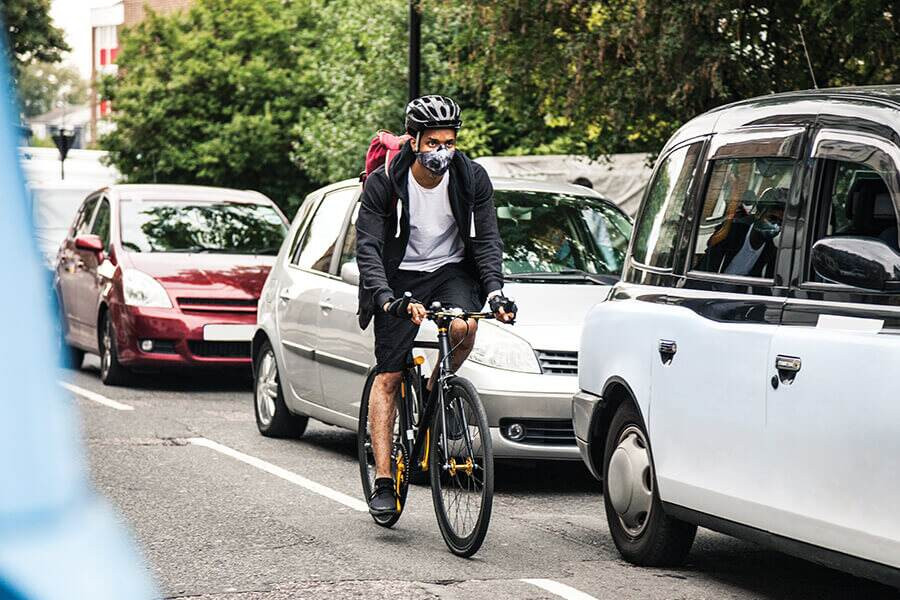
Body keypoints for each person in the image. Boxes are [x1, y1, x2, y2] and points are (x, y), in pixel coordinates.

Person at [355, 95, 517, 516]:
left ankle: (435, 392)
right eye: (433, 143)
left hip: (450, 269)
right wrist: (386, 299)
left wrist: (496, 290)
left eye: (449, 141)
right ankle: (385, 480)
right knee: (388, 375)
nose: (442, 151)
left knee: (465, 327)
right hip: (397, 273)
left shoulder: (471, 178)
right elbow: (368, 246)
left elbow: (486, 240)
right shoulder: (385, 184)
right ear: (414, 141)